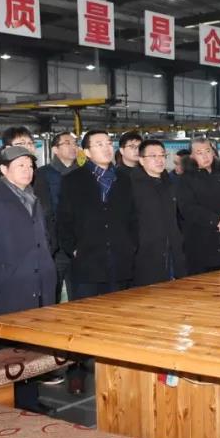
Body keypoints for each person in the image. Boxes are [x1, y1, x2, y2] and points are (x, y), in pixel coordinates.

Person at [0, 145, 57, 411]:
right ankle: (5, 405)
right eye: (21, 166)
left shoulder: (32, 198)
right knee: (7, 351)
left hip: (39, 284)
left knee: (32, 348)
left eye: (30, 166)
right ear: (4, 170)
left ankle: (29, 401)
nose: (28, 171)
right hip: (11, 287)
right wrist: (3, 276)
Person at [57, 130, 137, 394]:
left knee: (118, 320)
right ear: (87, 152)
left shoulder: (123, 179)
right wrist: (73, 248)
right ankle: (77, 371)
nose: (106, 147)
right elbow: (63, 220)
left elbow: (133, 218)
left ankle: (116, 372)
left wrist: (130, 245)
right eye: (99, 144)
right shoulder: (73, 180)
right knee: (83, 321)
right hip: (87, 260)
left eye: (108, 143)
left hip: (119, 259)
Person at [178, 138, 220, 275]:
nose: (205, 156)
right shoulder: (185, 179)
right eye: (199, 153)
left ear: (213, 152)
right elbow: (188, 208)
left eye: (208, 151)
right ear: (192, 156)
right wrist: (216, 220)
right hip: (201, 244)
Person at [130, 140, 186, 285]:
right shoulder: (132, 186)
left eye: (162, 155)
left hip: (173, 253)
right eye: (153, 156)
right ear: (141, 160)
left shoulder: (170, 184)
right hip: (146, 256)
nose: (159, 160)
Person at [37, 131, 80, 301]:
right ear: (55, 149)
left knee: (80, 294)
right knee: (51, 293)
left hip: (79, 244)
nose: (73, 147)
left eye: (75, 143)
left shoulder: (84, 173)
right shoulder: (43, 174)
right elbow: (44, 211)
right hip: (56, 247)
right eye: (67, 143)